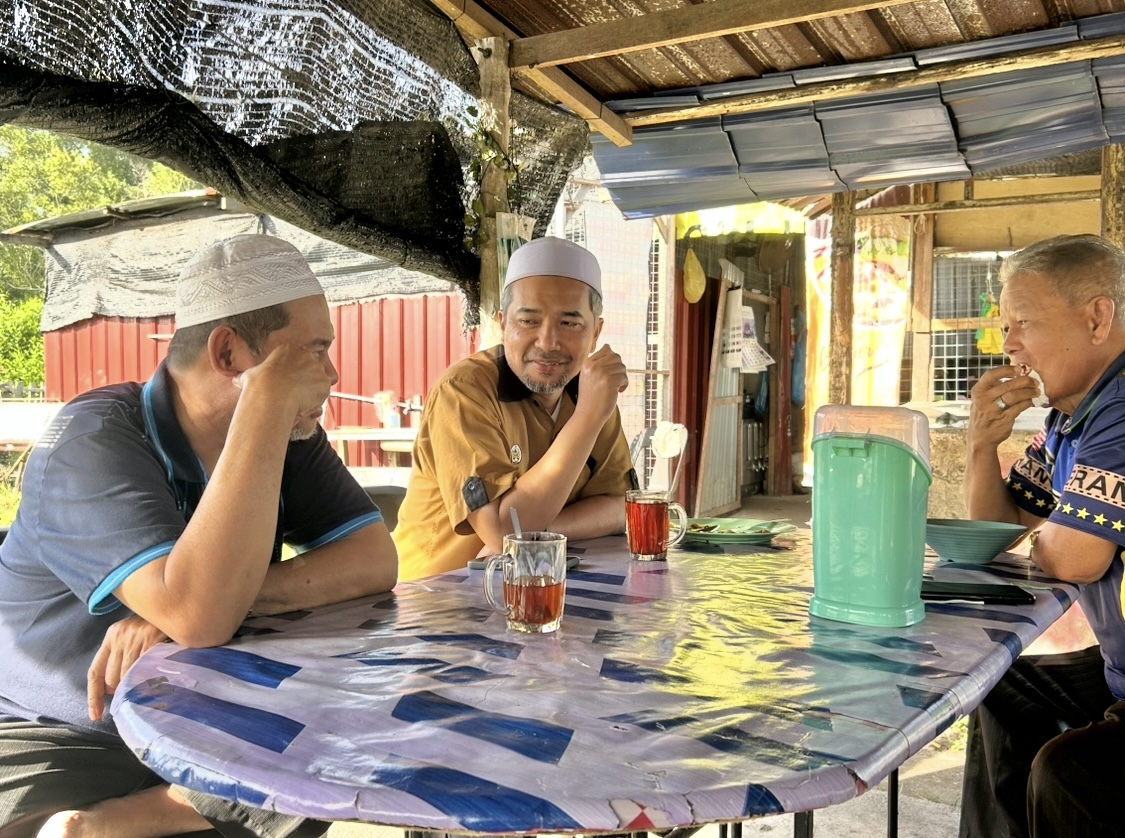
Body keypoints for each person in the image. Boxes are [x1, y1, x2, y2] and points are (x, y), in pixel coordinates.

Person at [0, 234, 398, 838]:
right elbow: (203, 615)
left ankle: (115, 824)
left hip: (205, 710)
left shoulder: (288, 434)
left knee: (348, 746)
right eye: (314, 351)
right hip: (65, 728)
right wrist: (195, 607)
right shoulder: (94, 439)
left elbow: (375, 560)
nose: (332, 373)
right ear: (230, 353)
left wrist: (202, 604)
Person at [960, 234, 1125, 838]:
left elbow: (1076, 557)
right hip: (1116, 670)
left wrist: (1053, 534)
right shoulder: (1068, 418)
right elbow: (995, 530)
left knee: (1068, 771)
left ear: (1097, 317)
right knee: (993, 674)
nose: (1009, 345)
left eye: (1023, 322)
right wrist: (982, 445)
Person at [393, 236, 637, 581]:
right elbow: (503, 532)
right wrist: (588, 417)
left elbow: (622, 508)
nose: (548, 342)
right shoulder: (464, 391)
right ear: (503, 324)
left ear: (595, 332)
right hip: (436, 603)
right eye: (528, 321)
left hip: (541, 589)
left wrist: (542, 528)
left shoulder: (592, 394)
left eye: (569, 323)